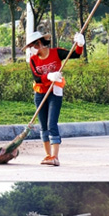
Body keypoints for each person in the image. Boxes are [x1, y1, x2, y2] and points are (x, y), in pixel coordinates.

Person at [24, 31, 85, 166]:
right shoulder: (33, 59)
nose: (30, 49)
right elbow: (37, 78)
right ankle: (47, 155)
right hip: (40, 94)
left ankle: (55, 157)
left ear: (39, 43)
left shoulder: (56, 53)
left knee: (52, 124)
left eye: (31, 46)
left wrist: (80, 44)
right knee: (43, 125)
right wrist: (49, 76)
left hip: (55, 92)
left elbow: (76, 54)